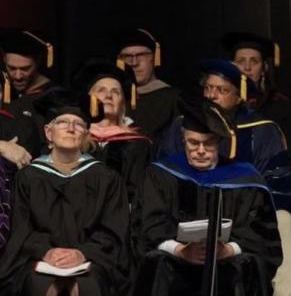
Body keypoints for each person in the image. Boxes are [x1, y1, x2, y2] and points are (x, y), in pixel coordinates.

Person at [128, 97, 281, 296]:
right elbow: (148, 226)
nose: (200, 151)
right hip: (179, 270)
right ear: (183, 140)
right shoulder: (162, 174)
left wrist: (228, 249)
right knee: (154, 262)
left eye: (208, 144)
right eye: (193, 143)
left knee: (248, 264)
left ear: (219, 143)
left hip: (225, 269)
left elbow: (261, 233)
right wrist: (180, 249)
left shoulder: (245, 179)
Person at [158, 60, 291, 296]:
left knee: (284, 218)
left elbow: (277, 186)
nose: (213, 95)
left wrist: (247, 211)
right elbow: (165, 178)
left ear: (239, 94)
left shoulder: (263, 130)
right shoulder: (182, 127)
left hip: (249, 217)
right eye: (208, 88)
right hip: (192, 212)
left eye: (222, 89)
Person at [0, 90, 128, 296]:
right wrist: (44, 252)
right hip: (40, 260)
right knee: (40, 283)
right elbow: (20, 228)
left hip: (91, 261)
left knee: (85, 284)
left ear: (86, 135)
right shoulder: (29, 177)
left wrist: (83, 254)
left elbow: (114, 229)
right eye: (62, 122)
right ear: (48, 131)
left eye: (79, 124)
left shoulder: (105, 178)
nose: (71, 128)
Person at [221, 31, 291, 184]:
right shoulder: (218, 104)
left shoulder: (281, 107)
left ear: (264, 68)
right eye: (241, 61)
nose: (247, 67)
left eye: (254, 61)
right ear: (231, 66)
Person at [71, 60, 152, 206]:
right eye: (101, 90)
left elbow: (139, 191)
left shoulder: (137, 144)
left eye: (116, 92)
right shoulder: (72, 137)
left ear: (122, 101)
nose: (109, 96)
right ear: (89, 98)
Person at [114, 28, 179, 143]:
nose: (134, 63)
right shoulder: (111, 99)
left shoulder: (173, 99)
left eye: (141, 55)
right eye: (127, 56)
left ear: (153, 58)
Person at [0, 28, 57, 156]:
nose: (18, 76)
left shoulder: (52, 97)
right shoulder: (4, 92)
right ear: (4, 60)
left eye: (25, 68)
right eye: (12, 68)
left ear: (37, 62)